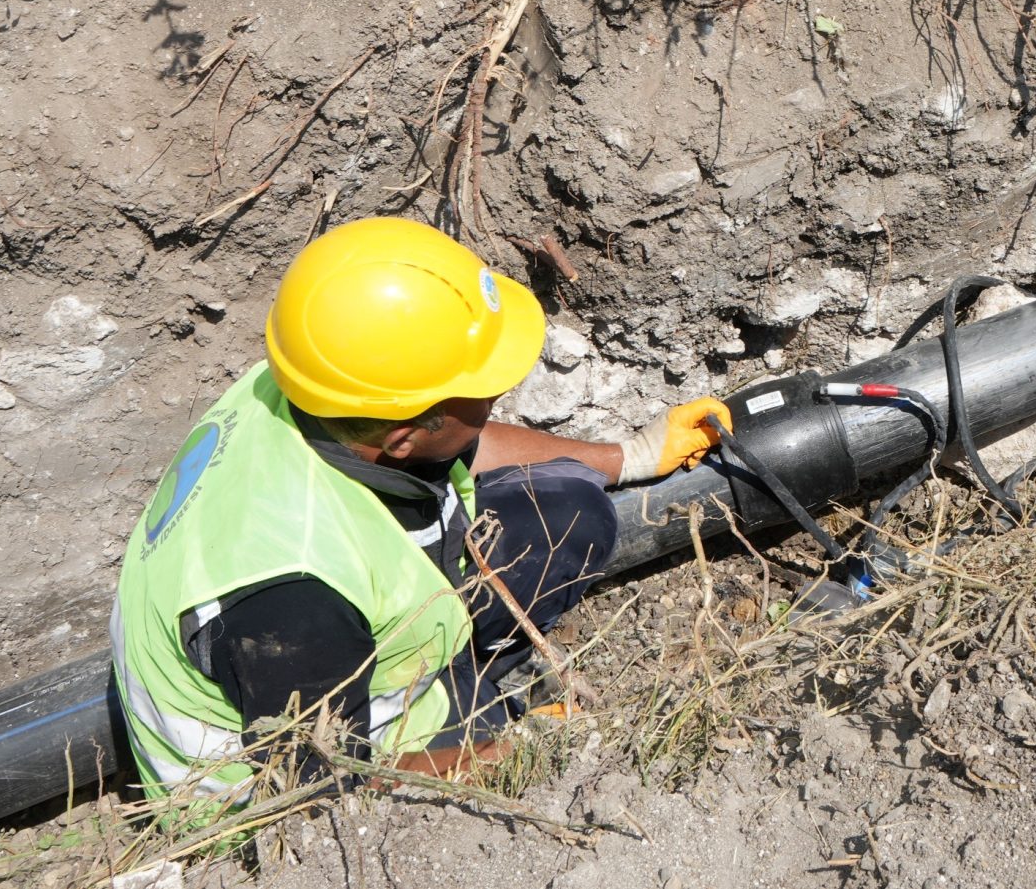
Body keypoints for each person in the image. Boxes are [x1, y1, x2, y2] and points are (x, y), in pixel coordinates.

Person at [110, 216, 728, 798]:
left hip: (358, 648)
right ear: (404, 439)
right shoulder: (291, 600)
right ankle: (468, 719)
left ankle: (462, 687)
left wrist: (634, 456)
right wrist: (521, 752)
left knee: (567, 512)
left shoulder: (320, 385)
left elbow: (465, 443)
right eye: (482, 397)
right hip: (297, 799)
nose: (497, 400)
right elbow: (324, 785)